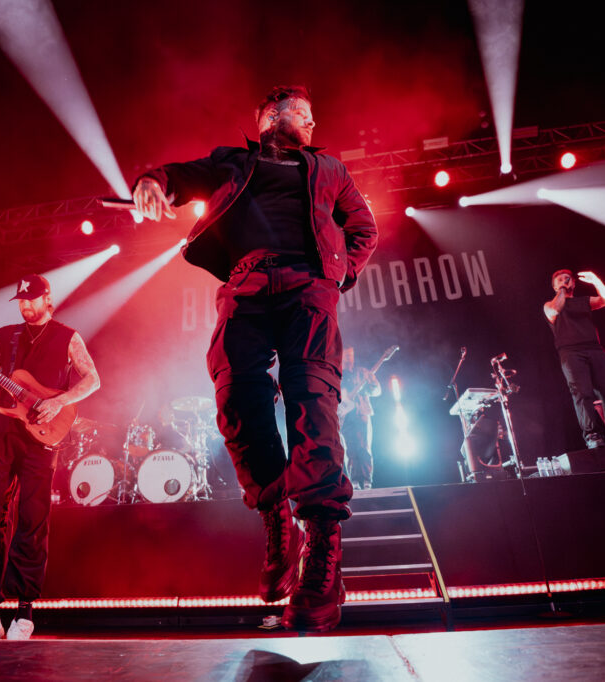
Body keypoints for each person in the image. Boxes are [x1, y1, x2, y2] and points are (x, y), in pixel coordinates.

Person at [132, 85, 377, 631]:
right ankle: (275, 515)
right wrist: (153, 181)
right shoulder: (232, 162)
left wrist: (340, 275)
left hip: (309, 286)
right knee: (235, 396)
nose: (311, 125)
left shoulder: (330, 168)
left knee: (312, 399)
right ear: (270, 117)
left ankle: (322, 556)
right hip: (245, 284)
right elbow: (180, 176)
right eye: (301, 116)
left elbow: (364, 227)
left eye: (313, 119)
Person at [0, 274, 100, 641]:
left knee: (32, 518)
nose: (25, 306)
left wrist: (58, 401)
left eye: (31, 300)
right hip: (2, 431)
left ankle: (24, 612)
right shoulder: (5, 335)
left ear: (47, 299)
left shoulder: (67, 336)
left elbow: (92, 379)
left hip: (41, 436)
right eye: (21, 300)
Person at [543, 269, 605, 448]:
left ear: (574, 283)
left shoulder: (583, 301)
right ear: (554, 286)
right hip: (570, 352)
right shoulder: (549, 305)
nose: (564, 280)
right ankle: (593, 436)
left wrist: (596, 280)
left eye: (567, 279)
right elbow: (556, 310)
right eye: (559, 280)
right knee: (582, 393)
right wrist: (562, 290)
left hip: (594, 349)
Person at [340, 347, 381, 489]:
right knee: (350, 448)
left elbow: (376, 391)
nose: (348, 358)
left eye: (350, 355)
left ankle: (367, 480)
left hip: (361, 411)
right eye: (345, 355)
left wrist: (371, 383)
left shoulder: (362, 372)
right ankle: (354, 482)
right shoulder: (336, 374)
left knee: (364, 446)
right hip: (345, 415)